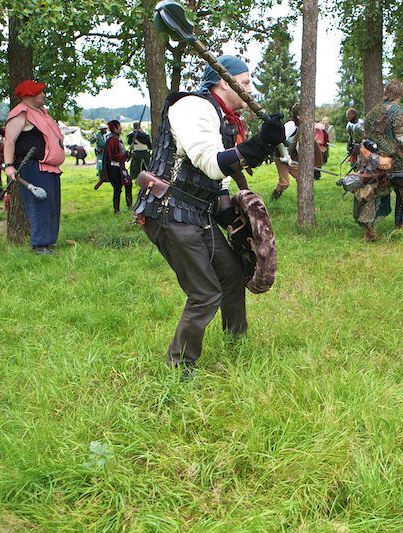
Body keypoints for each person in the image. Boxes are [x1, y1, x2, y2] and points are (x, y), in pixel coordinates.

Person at [138, 55, 285, 378]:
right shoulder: (193, 107)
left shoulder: (223, 117)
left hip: (197, 211)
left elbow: (219, 181)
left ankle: (236, 341)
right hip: (169, 211)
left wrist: (232, 219)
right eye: (244, 83)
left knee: (231, 273)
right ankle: (179, 368)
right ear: (223, 81)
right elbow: (211, 163)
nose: (250, 89)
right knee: (204, 294)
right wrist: (261, 143)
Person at [4, 79, 65, 255]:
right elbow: (9, 141)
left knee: (52, 206)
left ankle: (49, 241)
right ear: (30, 95)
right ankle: (40, 245)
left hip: (48, 167)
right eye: (40, 92)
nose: (43, 95)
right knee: (40, 205)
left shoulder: (42, 113)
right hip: (33, 167)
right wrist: (9, 166)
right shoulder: (20, 114)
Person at [354, 79, 403, 240]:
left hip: (371, 158)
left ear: (386, 92)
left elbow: (366, 133)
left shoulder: (373, 111)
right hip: (392, 159)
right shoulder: (397, 111)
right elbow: (402, 138)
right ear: (399, 94)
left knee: (370, 190)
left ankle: (368, 230)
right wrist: (400, 150)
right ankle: (400, 224)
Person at [270, 104, 322, 200]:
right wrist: (285, 156)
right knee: (284, 183)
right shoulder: (291, 125)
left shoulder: (302, 126)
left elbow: (297, 145)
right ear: (298, 114)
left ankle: (305, 200)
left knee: (302, 179)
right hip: (280, 157)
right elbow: (280, 140)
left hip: (292, 158)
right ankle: (273, 199)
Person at [104, 120, 132, 213]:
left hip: (120, 167)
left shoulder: (117, 139)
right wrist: (125, 155)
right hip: (114, 168)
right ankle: (116, 209)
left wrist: (127, 155)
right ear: (115, 128)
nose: (121, 128)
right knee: (117, 188)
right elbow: (113, 156)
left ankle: (130, 205)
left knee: (128, 184)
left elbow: (120, 154)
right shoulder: (112, 140)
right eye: (119, 126)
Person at [92, 125, 109, 189]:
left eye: (106, 129)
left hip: (104, 152)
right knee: (100, 163)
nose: (106, 130)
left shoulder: (105, 135)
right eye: (104, 129)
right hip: (101, 152)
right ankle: (101, 176)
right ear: (101, 130)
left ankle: (105, 175)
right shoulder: (97, 135)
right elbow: (101, 144)